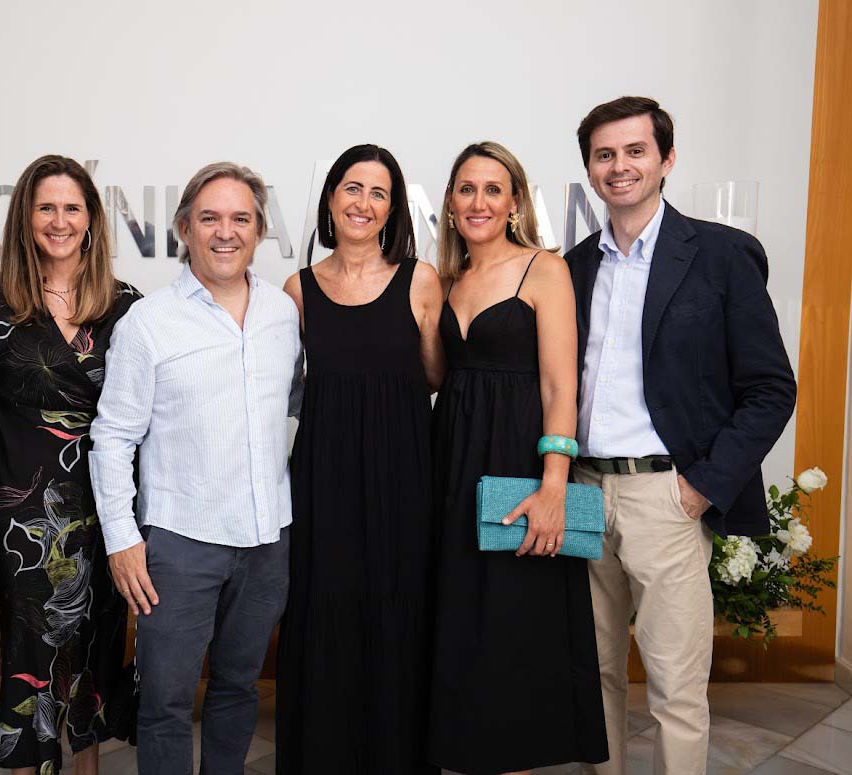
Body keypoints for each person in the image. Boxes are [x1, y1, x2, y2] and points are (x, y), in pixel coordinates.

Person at [567, 97, 796, 775]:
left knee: (676, 689)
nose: (620, 166)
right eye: (605, 154)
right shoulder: (572, 266)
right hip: (582, 491)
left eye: (635, 150)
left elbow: (770, 388)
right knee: (592, 675)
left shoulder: (721, 255)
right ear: (589, 167)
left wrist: (701, 486)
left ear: (666, 159)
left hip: (666, 495)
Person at [89, 162, 301, 775]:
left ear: (259, 230)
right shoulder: (148, 323)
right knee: (166, 702)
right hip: (180, 545)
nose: (225, 232)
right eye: (210, 218)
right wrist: (122, 540)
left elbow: (293, 403)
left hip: (266, 541)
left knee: (239, 688)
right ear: (185, 228)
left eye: (240, 219)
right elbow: (112, 437)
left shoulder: (283, 314)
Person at [425, 141, 608, 774]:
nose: (478, 201)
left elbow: (560, 385)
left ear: (515, 203)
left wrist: (553, 485)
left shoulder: (544, 270)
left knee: (512, 627)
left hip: (518, 462)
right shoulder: (446, 282)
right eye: (466, 189)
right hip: (452, 464)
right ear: (451, 205)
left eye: (492, 189)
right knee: (461, 619)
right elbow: (435, 376)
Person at [275, 144, 444, 775]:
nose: (363, 203)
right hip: (324, 477)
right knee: (326, 606)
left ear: (393, 209)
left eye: (379, 193)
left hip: (403, 475)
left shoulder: (420, 280)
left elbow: (435, 376)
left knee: (400, 606)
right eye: (352, 188)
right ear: (330, 198)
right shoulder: (297, 290)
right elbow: (280, 390)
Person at [0, 155, 141, 774]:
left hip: (105, 508)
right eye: (46, 207)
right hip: (21, 512)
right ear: (24, 217)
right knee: (31, 651)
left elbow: (156, 411)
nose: (59, 220)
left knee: (96, 642)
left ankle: (86, 765)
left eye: (72, 208)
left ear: (92, 219)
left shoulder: (125, 306)